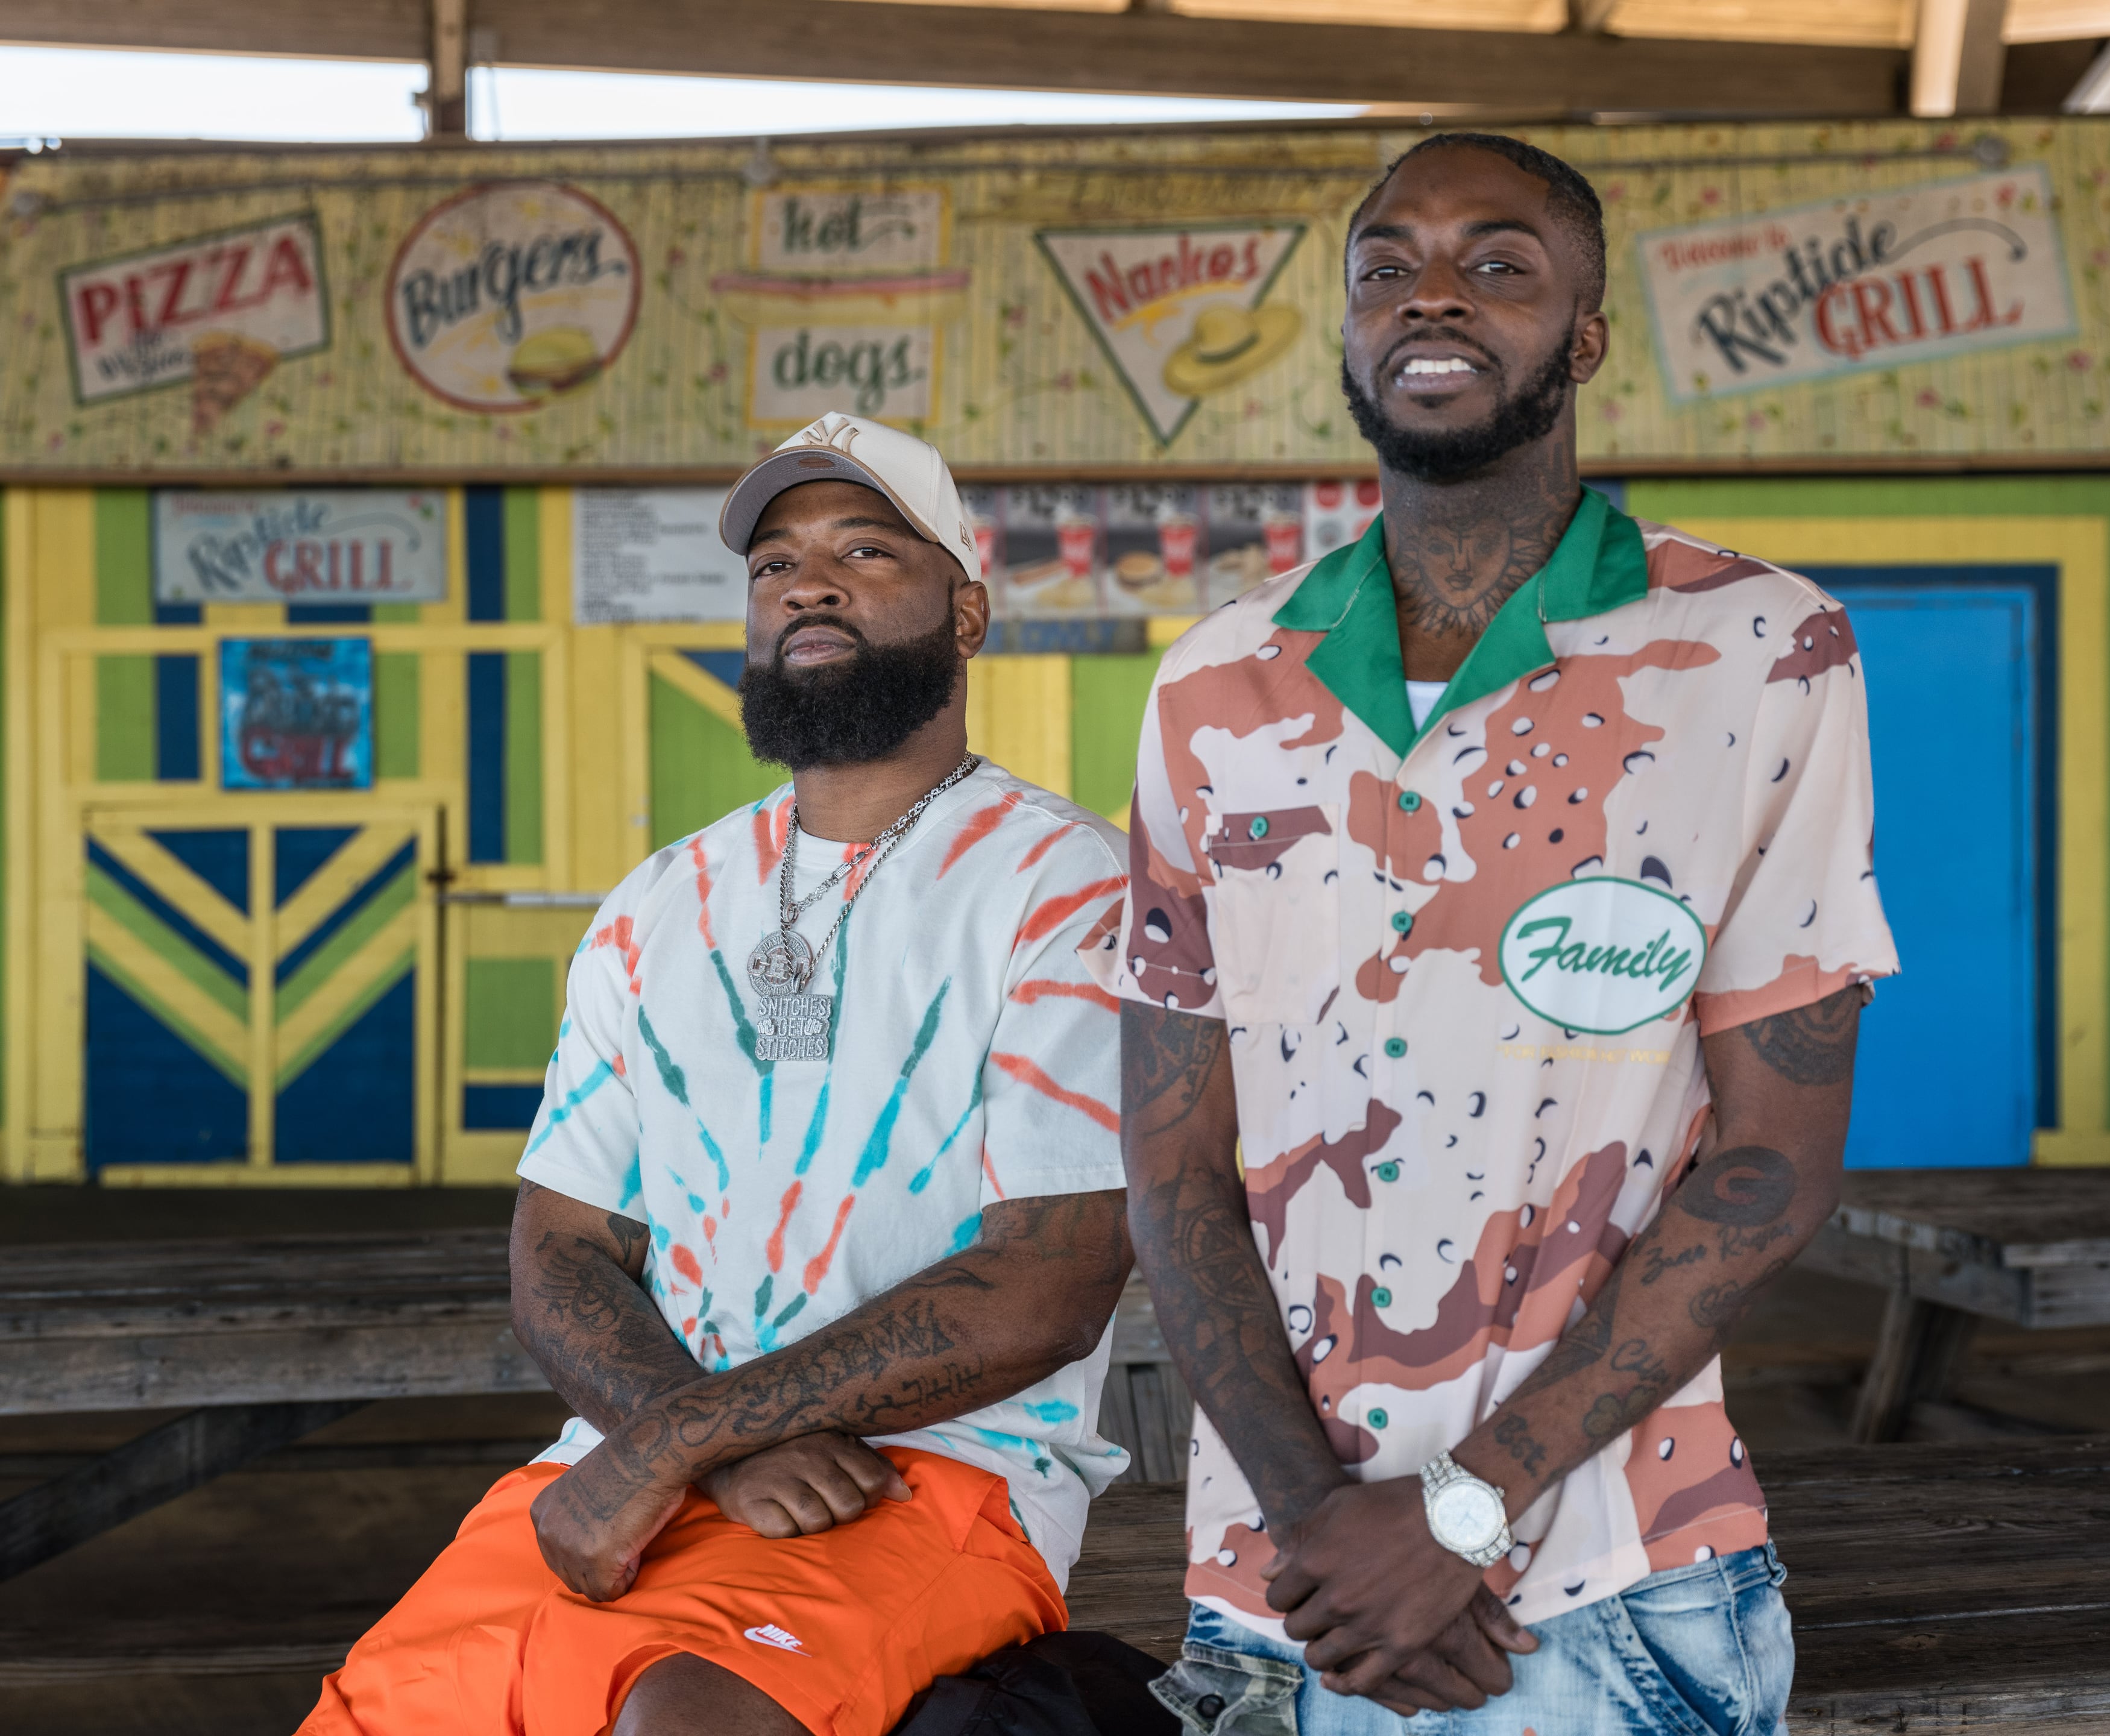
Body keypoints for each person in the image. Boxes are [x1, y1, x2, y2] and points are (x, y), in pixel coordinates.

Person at [1110, 134, 1899, 1735]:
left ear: (1587, 336)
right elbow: (1172, 1165)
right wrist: (1324, 1527)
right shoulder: (1215, 682)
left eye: (1501, 263)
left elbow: (1771, 1164)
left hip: (1610, 1583)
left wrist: (1462, 1512)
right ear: (1347, 332)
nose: (1433, 295)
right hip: (1286, 1600)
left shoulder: (1757, 650)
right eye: (1385, 265)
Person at [303, 412, 1136, 1736]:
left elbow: (1051, 1283)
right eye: (774, 565)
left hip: (940, 1482)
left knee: (687, 1721)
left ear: (966, 615)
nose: (808, 581)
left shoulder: (1065, 886)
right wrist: (688, 1443)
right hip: (631, 1464)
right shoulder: (660, 902)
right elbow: (560, 1245)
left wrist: (683, 1444)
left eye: (867, 549)